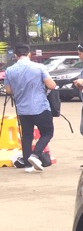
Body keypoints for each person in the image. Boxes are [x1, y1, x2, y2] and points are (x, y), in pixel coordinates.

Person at [2, 43, 58, 173]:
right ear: (29, 54)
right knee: (48, 132)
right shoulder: (39, 67)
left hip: (23, 109)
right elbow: (51, 85)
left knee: (26, 136)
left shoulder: (10, 70)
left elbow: (9, 90)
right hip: (40, 107)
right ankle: (35, 154)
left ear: (16, 55)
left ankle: (28, 164)